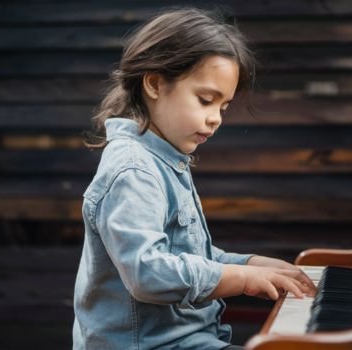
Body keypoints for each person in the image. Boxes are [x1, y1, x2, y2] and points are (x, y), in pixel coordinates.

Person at [72, 7, 316, 350]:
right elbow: (147, 273)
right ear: (155, 84)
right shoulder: (134, 171)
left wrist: (248, 263)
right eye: (205, 100)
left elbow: (183, 254)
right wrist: (243, 279)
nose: (215, 118)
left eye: (224, 107)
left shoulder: (164, 160)